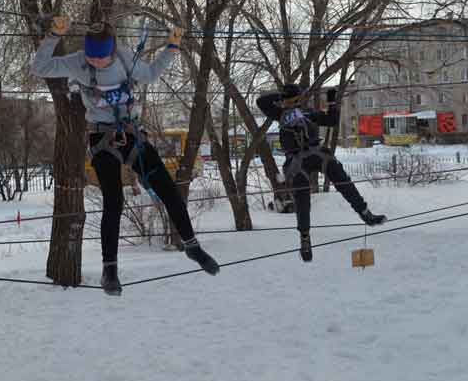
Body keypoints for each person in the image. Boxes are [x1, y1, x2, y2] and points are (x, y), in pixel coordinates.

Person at [30, 16, 219, 295]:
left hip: (131, 135)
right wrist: (54, 36)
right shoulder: (78, 62)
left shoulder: (125, 59)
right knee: (113, 201)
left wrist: (172, 46)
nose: (96, 62)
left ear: (113, 50)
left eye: (102, 58)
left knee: (168, 190)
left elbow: (152, 73)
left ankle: (192, 246)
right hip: (101, 138)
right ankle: (110, 270)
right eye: (93, 58)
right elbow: (40, 67)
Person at [256, 83, 387, 262]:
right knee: (302, 198)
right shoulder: (280, 114)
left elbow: (332, 121)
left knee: (342, 180)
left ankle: (365, 213)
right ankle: (304, 237)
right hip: (296, 160)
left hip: (316, 152)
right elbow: (261, 101)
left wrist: (332, 102)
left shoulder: (309, 113)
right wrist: (283, 97)